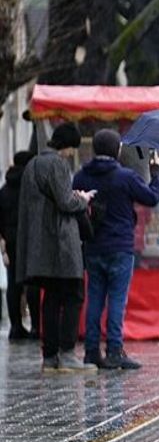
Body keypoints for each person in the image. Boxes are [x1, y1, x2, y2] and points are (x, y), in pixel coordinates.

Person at [72, 129, 159, 369]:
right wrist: (155, 173)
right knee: (116, 300)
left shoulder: (81, 176)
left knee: (94, 299)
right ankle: (114, 350)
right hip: (121, 247)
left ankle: (91, 351)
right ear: (118, 151)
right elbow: (152, 197)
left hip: (93, 246)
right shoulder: (125, 177)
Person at [16, 122, 97, 372]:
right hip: (61, 245)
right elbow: (65, 201)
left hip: (40, 246)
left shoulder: (32, 164)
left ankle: (49, 358)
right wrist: (82, 199)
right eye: (72, 148)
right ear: (67, 146)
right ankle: (68, 354)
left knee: (50, 299)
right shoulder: (57, 164)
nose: (72, 153)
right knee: (74, 295)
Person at [0, 150, 39, 340]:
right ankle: (35, 327)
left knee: (14, 284)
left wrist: (3, 243)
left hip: (11, 239)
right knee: (32, 282)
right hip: (30, 238)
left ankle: (16, 326)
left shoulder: (4, 189)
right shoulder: (31, 187)